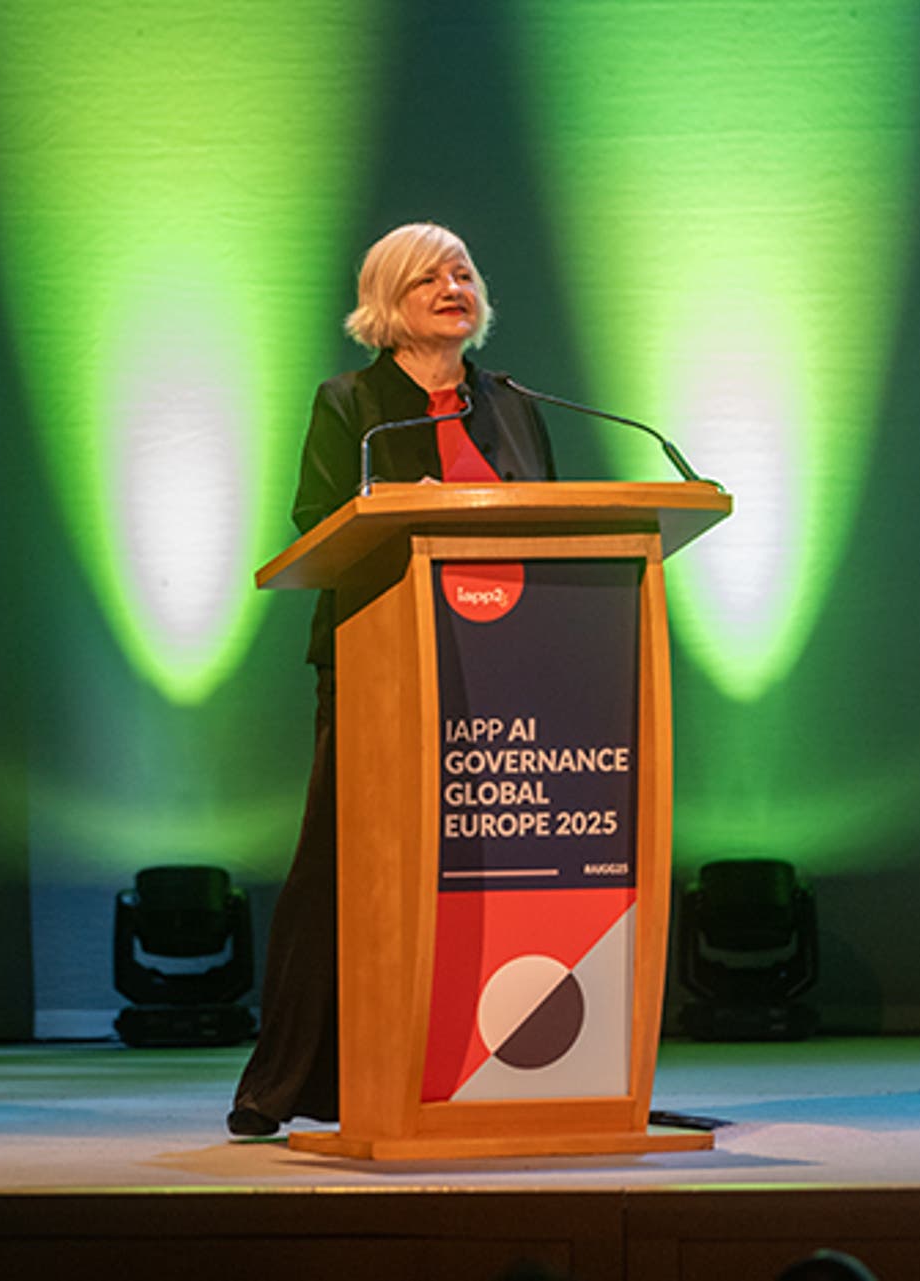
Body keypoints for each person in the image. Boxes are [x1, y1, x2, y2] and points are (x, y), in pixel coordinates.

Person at [227, 222, 556, 1137]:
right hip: (383, 659)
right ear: (386, 302)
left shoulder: (514, 404)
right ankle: (285, 1083)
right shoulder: (352, 402)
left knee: (498, 867)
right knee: (343, 865)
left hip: (510, 664)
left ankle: (510, 1066)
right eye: (429, 278)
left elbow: (556, 520)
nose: (454, 288)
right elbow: (318, 517)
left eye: (464, 272)